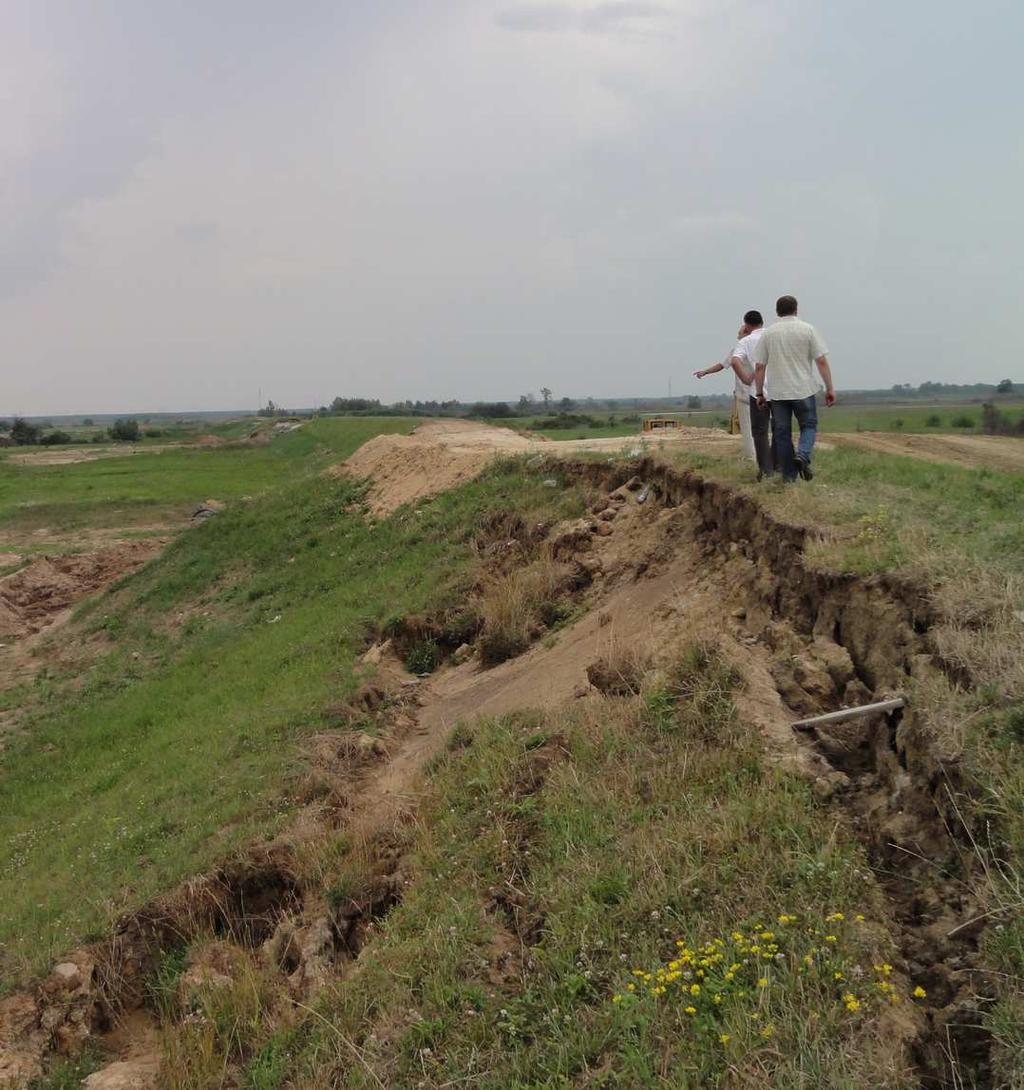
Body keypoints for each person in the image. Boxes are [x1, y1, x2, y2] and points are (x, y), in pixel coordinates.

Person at [753, 295, 835, 482]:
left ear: (777, 312)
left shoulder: (769, 333)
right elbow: (821, 361)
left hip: (778, 392)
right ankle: (803, 455)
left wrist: (759, 393)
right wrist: (830, 388)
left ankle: (789, 477)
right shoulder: (808, 330)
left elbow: (759, 366)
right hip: (803, 389)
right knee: (808, 425)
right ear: (796, 310)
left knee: (782, 433)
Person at [693, 312, 761, 464]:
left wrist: (705, 372)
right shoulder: (761, 346)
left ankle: (751, 458)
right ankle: (764, 457)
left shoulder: (739, 347)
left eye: (739, 332)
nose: (737, 335)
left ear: (746, 332)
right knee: (760, 428)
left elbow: (723, 365)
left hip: (745, 393)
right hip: (763, 393)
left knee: (747, 428)